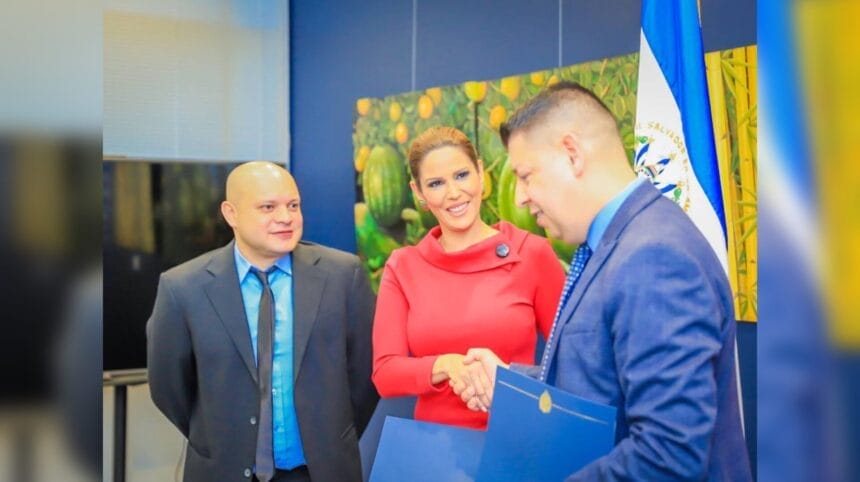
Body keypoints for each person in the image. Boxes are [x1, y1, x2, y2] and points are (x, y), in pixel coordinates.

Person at [457, 82, 752, 481]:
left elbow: (668, 457)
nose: (521, 197)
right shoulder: (614, 243)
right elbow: (599, 382)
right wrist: (509, 383)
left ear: (572, 154)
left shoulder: (653, 257)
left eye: (526, 176)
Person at [147, 161, 378, 482]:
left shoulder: (343, 275)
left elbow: (365, 376)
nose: (285, 217)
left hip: (321, 471)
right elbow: (169, 389)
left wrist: (331, 438)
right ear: (231, 214)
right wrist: (220, 439)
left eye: (293, 205)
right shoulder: (183, 288)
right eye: (268, 207)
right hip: (225, 472)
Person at [371, 126, 565, 430]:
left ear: (480, 174)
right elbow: (385, 373)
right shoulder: (403, 266)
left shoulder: (532, 253)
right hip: (435, 447)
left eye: (461, 175)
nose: (453, 193)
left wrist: (508, 380)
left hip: (519, 438)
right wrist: (447, 365)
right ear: (419, 193)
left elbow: (573, 363)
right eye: (436, 183)